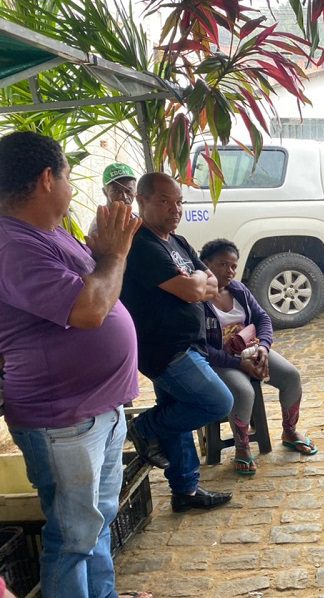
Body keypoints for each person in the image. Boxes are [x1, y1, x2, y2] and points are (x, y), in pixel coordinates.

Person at [0, 132, 146, 597]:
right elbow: (89, 309)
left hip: (96, 410)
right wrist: (115, 255)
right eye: (66, 176)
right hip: (62, 420)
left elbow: (91, 285)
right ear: (47, 178)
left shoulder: (49, 231)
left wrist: (102, 253)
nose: (70, 187)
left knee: (95, 527)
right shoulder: (12, 245)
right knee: (72, 539)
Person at [121, 172, 234, 513]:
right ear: (141, 202)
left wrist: (198, 281)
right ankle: (144, 427)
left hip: (188, 345)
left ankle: (185, 490)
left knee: (177, 412)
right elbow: (193, 290)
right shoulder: (142, 245)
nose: (175, 209)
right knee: (218, 402)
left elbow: (210, 286)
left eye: (179, 202)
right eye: (164, 201)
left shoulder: (178, 242)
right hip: (167, 350)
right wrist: (197, 283)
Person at [200, 239, 317, 475]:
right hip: (220, 361)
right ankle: (242, 448)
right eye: (223, 264)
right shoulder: (197, 300)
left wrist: (263, 347)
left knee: (291, 376)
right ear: (205, 265)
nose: (230, 271)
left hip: (251, 350)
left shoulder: (238, 290)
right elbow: (202, 348)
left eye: (233, 266)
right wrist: (238, 364)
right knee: (244, 391)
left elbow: (262, 319)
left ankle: (289, 431)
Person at [87, 162, 137, 236]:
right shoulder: (100, 227)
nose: (124, 197)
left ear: (135, 191)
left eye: (128, 191)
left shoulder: (137, 218)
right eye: (117, 191)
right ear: (105, 192)